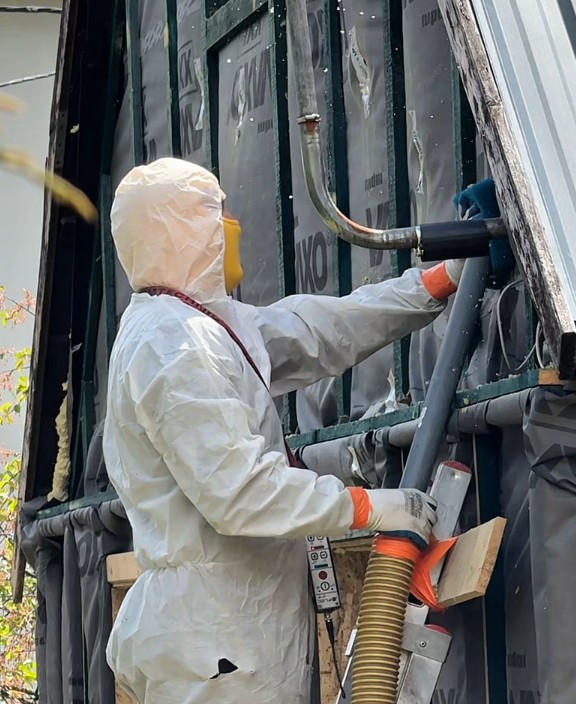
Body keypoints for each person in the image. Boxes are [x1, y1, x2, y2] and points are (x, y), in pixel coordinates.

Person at [103, 157, 472, 703]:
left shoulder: (199, 326)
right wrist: (368, 507)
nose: (234, 227)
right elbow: (241, 492)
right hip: (219, 645)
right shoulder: (175, 345)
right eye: (216, 213)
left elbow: (316, 330)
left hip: (229, 634)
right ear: (177, 230)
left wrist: (433, 284)